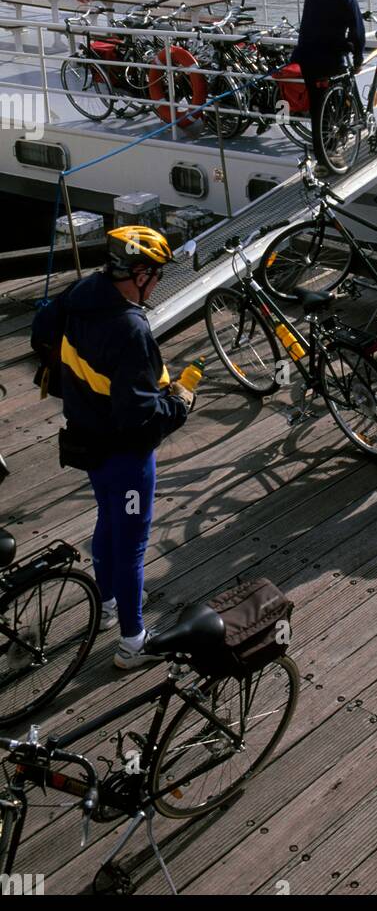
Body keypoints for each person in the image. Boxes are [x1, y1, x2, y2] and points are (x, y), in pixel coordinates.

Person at [31, 227, 193, 670]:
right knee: (133, 543)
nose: (158, 283)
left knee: (108, 518)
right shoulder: (130, 328)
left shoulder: (81, 293)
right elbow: (139, 418)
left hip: (85, 436)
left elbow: (43, 334)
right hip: (125, 455)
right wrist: (180, 403)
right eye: (157, 275)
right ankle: (132, 641)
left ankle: (104, 602)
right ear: (139, 274)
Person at [292, 0, 366, 169]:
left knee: (317, 107)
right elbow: (357, 31)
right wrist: (358, 57)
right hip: (332, 58)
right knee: (336, 104)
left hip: (307, 57)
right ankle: (332, 149)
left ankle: (322, 155)